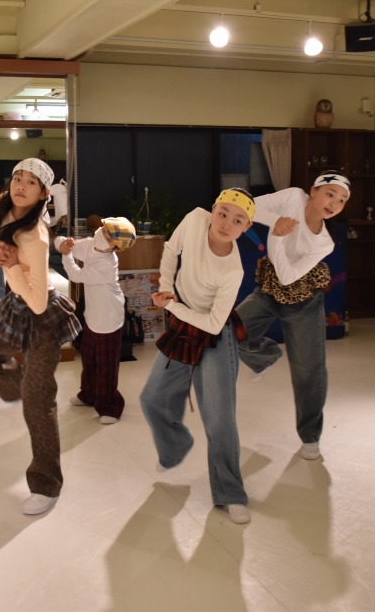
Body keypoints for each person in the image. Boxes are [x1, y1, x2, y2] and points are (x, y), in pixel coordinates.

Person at [0, 158, 80, 516]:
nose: (21, 186)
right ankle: (13, 389)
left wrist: (11, 266)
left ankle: (46, 485)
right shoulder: (1, 212)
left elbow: (39, 303)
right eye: (17, 178)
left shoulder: (35, 236)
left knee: (38, 403)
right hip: (15, 306)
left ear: (43, 193)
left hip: (43, 320)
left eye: (31, 182)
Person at [139, 188, 255, 525]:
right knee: (152, 399)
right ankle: (175, 447)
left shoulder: (233, 270)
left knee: (219, 418)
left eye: (238, 220)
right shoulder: (194, 219)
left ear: (246, 227)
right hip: (183, 324)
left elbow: (214, 324)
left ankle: (231, 492)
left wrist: (172, 306)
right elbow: (171, 249)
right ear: (213, 209)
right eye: (223, 213)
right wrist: (166, 286)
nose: (227, 223)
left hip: (215, 335)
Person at [236, 170, 350, 462]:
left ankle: (310, 436)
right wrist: (275, 221)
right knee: (229, 331)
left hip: (304, 300)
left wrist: (276, 236)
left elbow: (288, 276)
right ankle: (263, 357)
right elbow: (246, 206)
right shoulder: (292, 197)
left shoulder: (324, 244)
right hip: (269, 288)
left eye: (342, 200)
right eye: (330, 194)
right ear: (313, 191)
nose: (334, 203)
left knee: (308, 370)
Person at [56, 216, 137, 424]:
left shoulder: (107, 264)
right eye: (105, 229)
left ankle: (110, 406)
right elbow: (66, 244)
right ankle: (88, 394)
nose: (103, 234)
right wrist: (63, 244)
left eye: (109, 237)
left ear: (115, 248)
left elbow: (76, 275)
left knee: (106, 365)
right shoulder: (91, 245)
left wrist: (66, 255)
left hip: (109, 318)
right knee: (89, 359)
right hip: (93, 315)